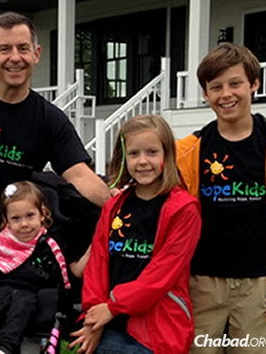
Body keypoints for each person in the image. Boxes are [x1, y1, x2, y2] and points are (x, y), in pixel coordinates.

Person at [176, 43, 266, 353]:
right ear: (205, 94)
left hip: (259, 285)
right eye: (215, 87)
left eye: (235, 83)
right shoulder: (189, 151)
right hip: (202, 284)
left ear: (254, 84)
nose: (225, 94)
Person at [0, 11, 110, 273]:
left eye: (23, 48)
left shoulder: (49, 119)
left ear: (36, 54)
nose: (15, 58)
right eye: (5, 49)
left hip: (14, 249)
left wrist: (118, 203)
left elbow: (78, 173)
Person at [69, 115, 202, 354]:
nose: (142, 161)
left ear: (167, 155)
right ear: (123, 159)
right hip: (109, 326)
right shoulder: (114, 206)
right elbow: (98, 262)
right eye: (134, 154)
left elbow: (161, 275)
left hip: (154, 331)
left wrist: (112, 306)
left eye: (152, 152)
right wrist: (95, 315)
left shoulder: (183, 209)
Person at [0, 181, 77, 354]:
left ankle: (4, 348)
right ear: (6, 221)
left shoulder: (49, 244)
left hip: (34, 293)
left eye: (30, 216)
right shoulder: (6, 243)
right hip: (5, 287)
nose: (24, 224)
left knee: (20, 307)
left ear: (43, 214)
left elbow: (64, 272)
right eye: (16, 219)